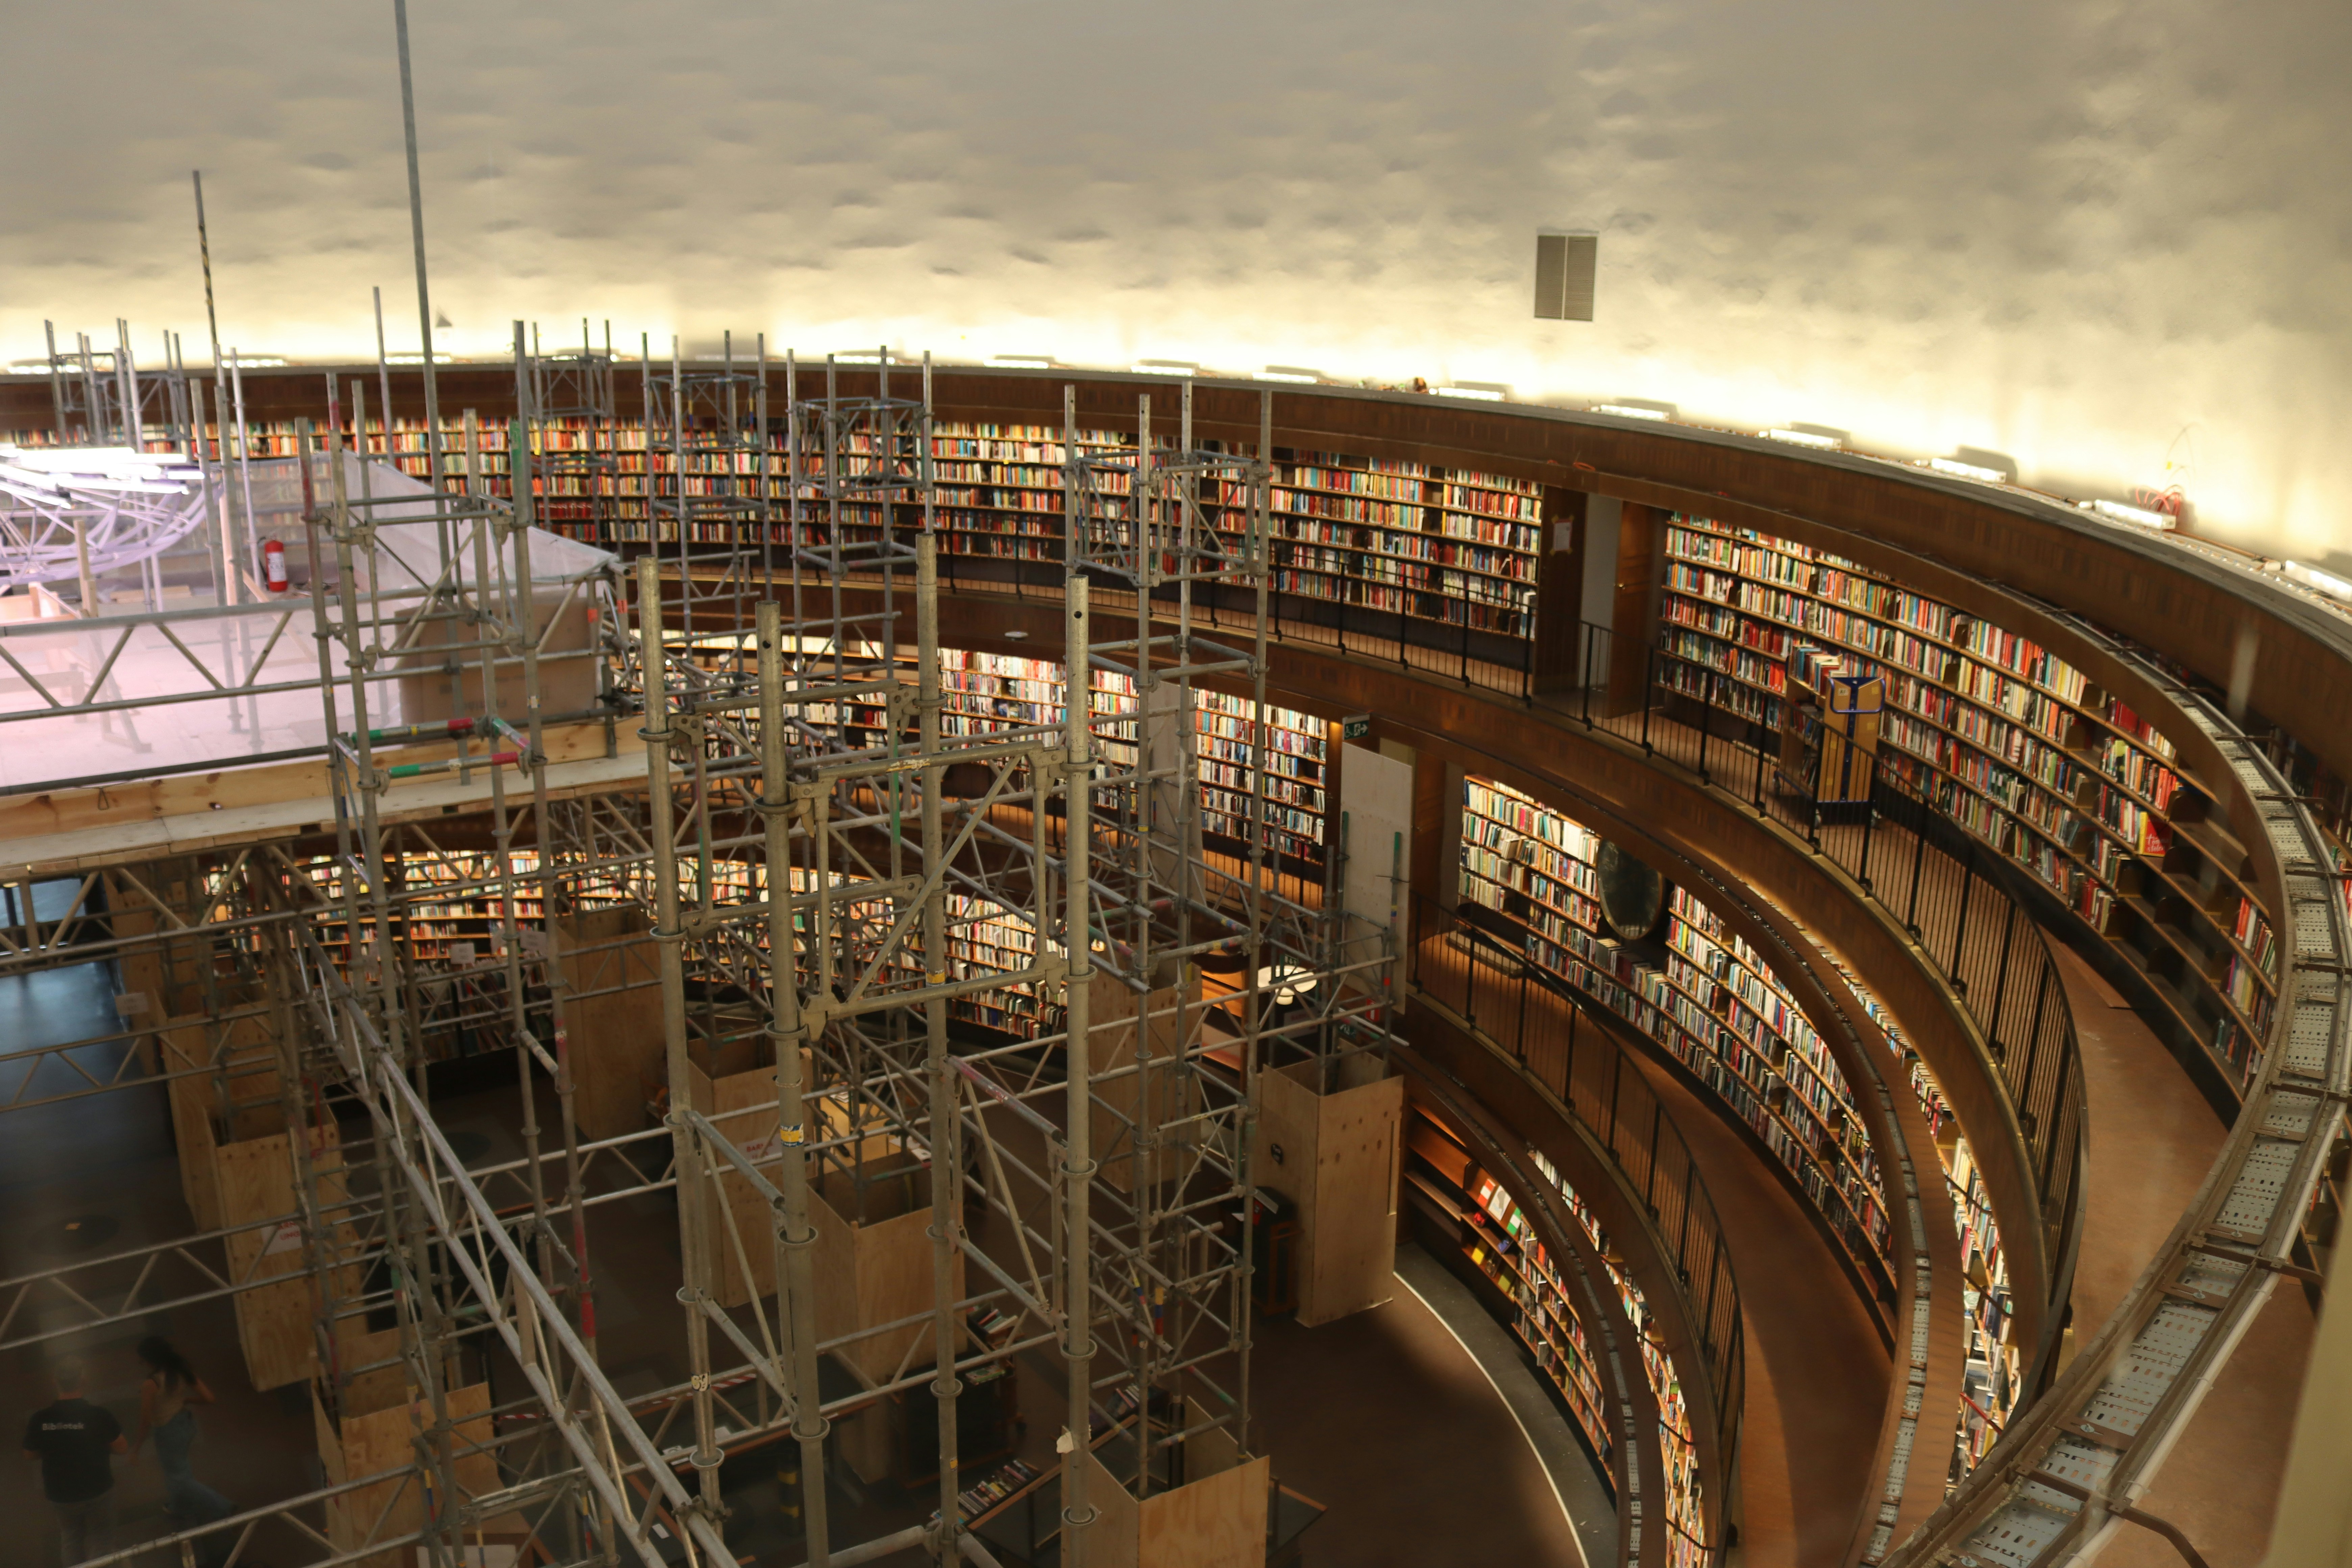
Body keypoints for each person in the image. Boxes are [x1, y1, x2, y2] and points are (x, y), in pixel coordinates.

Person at [21, 1352, 125, 1565]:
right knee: (101, 1538)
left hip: (61, 1495)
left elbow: (29, 1454)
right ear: (83, 1380)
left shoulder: (40, 1419)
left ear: (55, 1381)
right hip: (98, 1489)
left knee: (71, 1539)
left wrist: (54, 1444)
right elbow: (122, 1448)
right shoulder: (99, 1415)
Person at [128, 1337, 231, 1534]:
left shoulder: (151, 1384)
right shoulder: (181, 1370)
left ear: (151, 1360)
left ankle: (223, 1507)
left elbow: (145, 1421)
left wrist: (136, 1449)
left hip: (168, 1433)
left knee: (180, 1479)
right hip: (186, 1425)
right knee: (177, 1472)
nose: (143, 1364)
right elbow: (209, 1398)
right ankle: (180, 1507)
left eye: (143, 1360)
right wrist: (187, 1400)